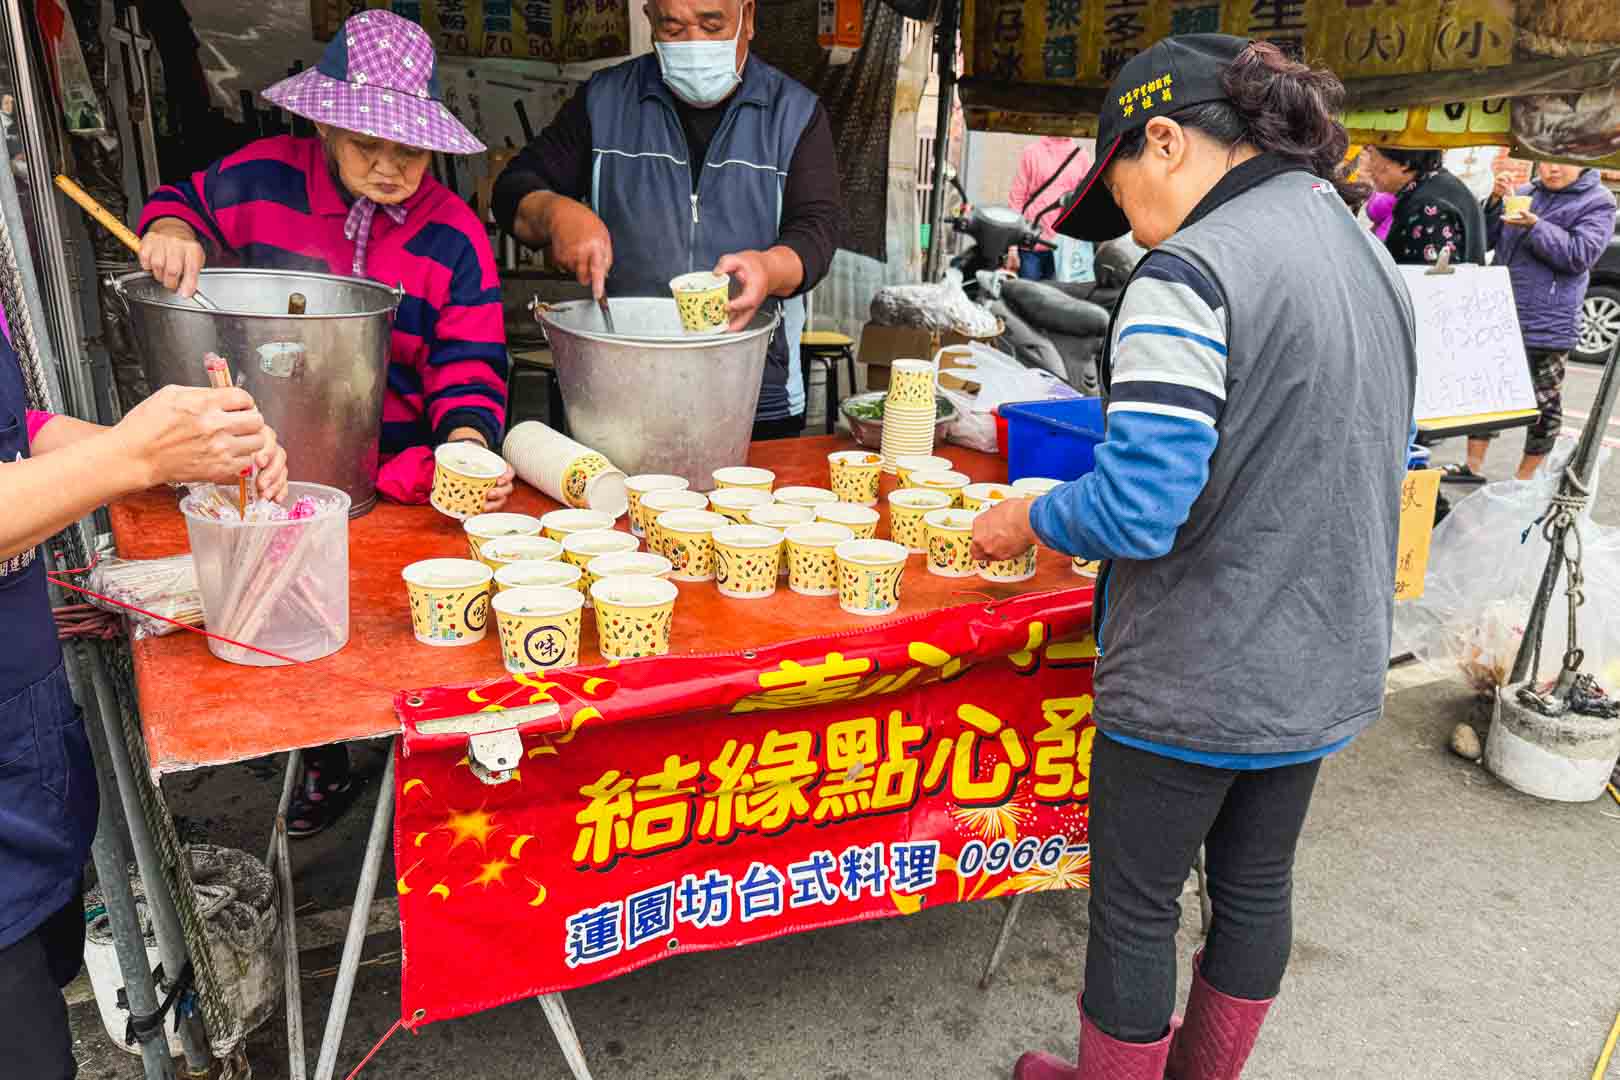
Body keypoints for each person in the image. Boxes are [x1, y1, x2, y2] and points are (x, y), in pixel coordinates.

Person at [972, 35, 1416, 1078]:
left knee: (1135, 906)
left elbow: (1138, 506)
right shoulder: (1359, 246)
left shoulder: (1190, 271)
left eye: (1119, 188)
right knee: (1256, 883)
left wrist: (1027, 521)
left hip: (1202, 670)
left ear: (1164, 138)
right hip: (1322, 655)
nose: (1125, 223)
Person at [136, 10, 511, 836]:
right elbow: (180, 204)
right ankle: (322, 761)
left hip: (392, 466)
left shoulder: (452, 234)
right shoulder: (263, 176)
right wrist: (169, 231)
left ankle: (421, 775)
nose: (386, 167)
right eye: (363, 145)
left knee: (390, 620)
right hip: (262, 460)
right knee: (281, 614)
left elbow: (473, 362)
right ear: (323, 124)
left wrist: (467, 443)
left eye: (406, 151)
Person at [0, 302, 288, 1080]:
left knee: (34, 978)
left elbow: (14, 430)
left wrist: (177, 457)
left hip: (20, 740)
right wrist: (131, 455)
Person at [492, 0, 843, 441]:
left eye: (712, 25)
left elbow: (818, 229)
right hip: (622, 394)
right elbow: (513, 190)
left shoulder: (795, 115)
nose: (694, 43)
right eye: (673, 28)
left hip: (752, 395)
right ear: (649, 20)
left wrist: (770, 268)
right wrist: (556, 213)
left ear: (748, 18)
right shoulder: (605, 102)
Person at [1443, 162, 1616, 484]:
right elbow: (1487, 240)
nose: (1553, 169)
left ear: (1582, 164)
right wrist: (1494, 203)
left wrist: (1535, 226)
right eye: (1547, 160)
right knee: (1487, 393)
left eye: (1562, 163)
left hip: (1550, 318)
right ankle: (1473, 466)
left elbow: (1580, 256)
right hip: (1502, 311)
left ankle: (1525, 479)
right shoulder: (1524, 193)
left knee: (1544, 402)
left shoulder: (1598, 201)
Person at [1360, 145, 1486, 267]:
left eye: (1372, 158)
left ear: (1405, 164)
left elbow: (1426, 280)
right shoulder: (1441, 186)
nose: (1367, 168)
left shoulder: (1428, 207)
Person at [1008, 136, 1093, 280]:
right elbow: (1016, 200)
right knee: (1032, 296)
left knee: (1049, 298)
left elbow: (1086, 203)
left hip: (1063, 249)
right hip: (1031, 244)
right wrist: (1012, 248)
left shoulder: (1081, 156)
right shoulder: (1032, 152)